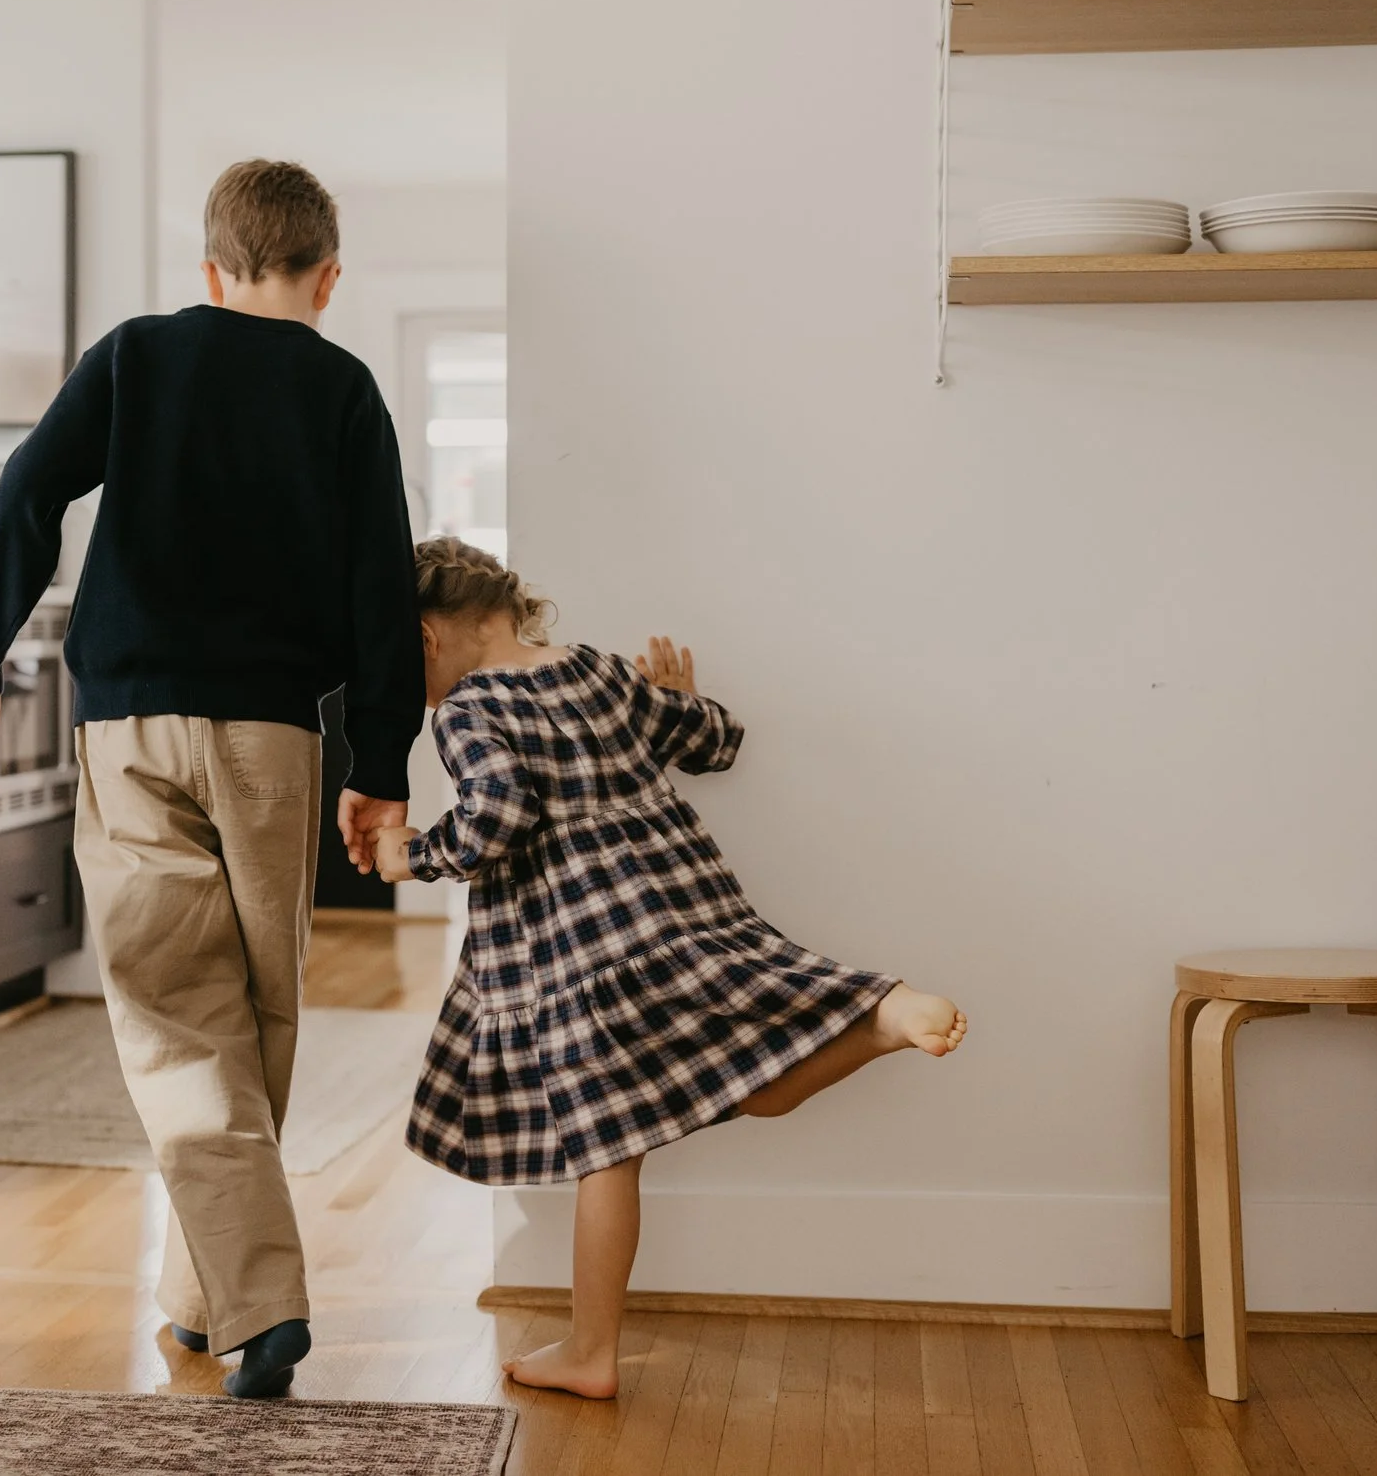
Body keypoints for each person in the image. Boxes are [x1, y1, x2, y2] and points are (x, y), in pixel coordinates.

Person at [0, 159, 421, 1399]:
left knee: (172, 1013)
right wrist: (382, 765)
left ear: (211, 268)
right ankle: (222, 1300)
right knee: (256, 1008)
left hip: (134, 729)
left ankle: (245, 1298)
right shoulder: (343, 384)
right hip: (274, 741)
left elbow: (27, 491)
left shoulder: (138, 354)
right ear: (327, 278)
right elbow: (380, 587)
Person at [375, 538, 965, 1400]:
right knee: (756, 1080)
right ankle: (879, 1016)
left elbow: (497, 814)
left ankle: (592, 1349)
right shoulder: (598, 670)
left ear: (426, 637)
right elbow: (713, 741)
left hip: (578, 945)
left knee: (606, 1152)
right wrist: (679, 701)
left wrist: (414, 856)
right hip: (679, 907)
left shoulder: (465, 709)